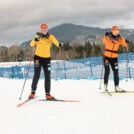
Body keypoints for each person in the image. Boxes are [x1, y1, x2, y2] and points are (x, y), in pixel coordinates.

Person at [29, 24, 63, 100]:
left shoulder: (50, 36)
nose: (45, 31)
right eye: (43, 29)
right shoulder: (37, 36)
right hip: (38, 58)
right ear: (41, 30)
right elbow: (31, 44)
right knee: (37, 74)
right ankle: (32, 92)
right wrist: (35, 40)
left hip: (47, 59)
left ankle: (48, 94)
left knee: (47, 75)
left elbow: (56, 42)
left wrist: (59, 45)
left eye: (46, 29)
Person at [103, 26, 129, 92]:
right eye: (115, 31)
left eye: (117, 31)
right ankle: (105, 85)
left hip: (114, 57)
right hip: (106, 56)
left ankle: (116, 87)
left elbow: (125, 44)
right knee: (107, 71)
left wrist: (127, 43)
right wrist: (105, 35)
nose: (116, 33)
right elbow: (104, 41)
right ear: (112, 31)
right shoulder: (108, 36)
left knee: (116, 72)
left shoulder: (119, 38)